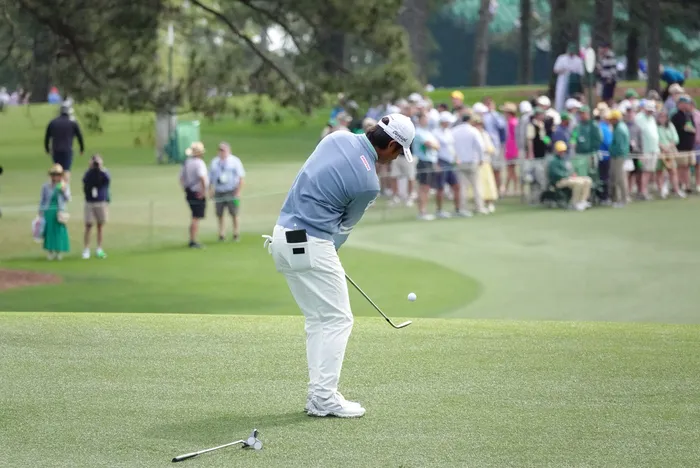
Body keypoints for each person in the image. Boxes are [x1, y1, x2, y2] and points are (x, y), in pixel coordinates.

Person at [265, 113, 415, 418]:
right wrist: (329, 253)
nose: (396, 158)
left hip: (281, 237)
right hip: (312, 242)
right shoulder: (368, 184)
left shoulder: (336, 137)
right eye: (399, 152)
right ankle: (324, 397)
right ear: (390, 145)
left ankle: (318, 395)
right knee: (339, 320)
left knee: (318, 319)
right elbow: (343, 229)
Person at [209, 142, 246, 242]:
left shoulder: (235, 161)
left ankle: (236, 233)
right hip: (219, 191)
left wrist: (238, 191)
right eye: (220, 150)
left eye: (224, 150)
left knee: (234, 213)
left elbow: (241, 177)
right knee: (219, 214)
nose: (222, 152)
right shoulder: (214, 162)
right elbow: (210, 178)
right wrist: (210, 190)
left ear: (229, 151)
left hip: (232, 190)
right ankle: (221, 234)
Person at [453, 113, 486, 215]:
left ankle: (463, 207)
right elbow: (480, 146)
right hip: (472, 161)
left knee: (463, 187)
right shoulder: (473, 131)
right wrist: (481, 158)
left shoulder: (454, 131)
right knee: (476, 185)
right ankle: (479, 207)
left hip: (459, 161)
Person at [432, 111, 463, 217]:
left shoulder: (449, 132)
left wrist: (456, 158)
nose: (449, 123)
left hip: (450, 162)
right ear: (443, 122)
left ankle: (457, 210)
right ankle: (439, 211)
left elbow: (451, 147)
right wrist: (436, 163)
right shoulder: (435, 133)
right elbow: (435, 150)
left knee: (456, 186)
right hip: (441, 161)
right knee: (440, 187)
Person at [179, 142, 209, 248]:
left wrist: (185, 189)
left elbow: (181, 178)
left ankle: (193, 239)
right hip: (197, 192)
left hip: (189, 191)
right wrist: (204, 191)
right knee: (196, 217)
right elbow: (202, 178)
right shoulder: (199, 163)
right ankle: (193, 240)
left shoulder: (186, 163)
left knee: (194, 216)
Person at [44, 104, 85, 182]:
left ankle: (56, 186)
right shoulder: (73, 123)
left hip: (55, 149)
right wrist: (81, 148)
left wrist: (47, 148)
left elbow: (47, 137)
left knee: (57, 169)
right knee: (66, 170)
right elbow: (80, 136)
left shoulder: (53, 123)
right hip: (67, 150)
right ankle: (65, 187)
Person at [548, 141, 592, 211]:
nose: (562, 153)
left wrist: (572, 174)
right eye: (560, 151)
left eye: (563, 151)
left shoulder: (565, 160)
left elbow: (570, 169)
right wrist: (568, 175)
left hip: (569, 178)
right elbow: (555, 173)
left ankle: (582, 201)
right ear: (557, 151)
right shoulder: (554, 161)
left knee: (587, 180)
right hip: (559, 181)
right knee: (579, 183)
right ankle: (574, 203)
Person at [39, 164, 71, 260]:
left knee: (59, 232)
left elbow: (68, 198)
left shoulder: (64, 185)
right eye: (54, 175)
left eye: (57, 175)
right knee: (49, 231)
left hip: (59, 211)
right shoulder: (46, 186)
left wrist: (63, 191)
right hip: (49, 210)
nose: (55, 177)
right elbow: (43, 199)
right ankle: (50, 251)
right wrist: (40, 211)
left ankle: (58, 251)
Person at [82, 154, 111, 259]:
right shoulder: (88, 173)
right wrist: (91, 168)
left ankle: (99, 249)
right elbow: (85, 180)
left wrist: (101, 168)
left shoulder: (104, 173)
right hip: (90, 202)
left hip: (101, 202)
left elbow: (107, 180)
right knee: (88, 226)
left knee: (100, 227)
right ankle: (86, 249)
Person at [413, 112, 440, 220]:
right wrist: (434, 145)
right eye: (424, 119)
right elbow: (429, 145)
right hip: (423, 161)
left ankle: (424, 211)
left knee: (427, 187)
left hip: (430, 161)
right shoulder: (418, 132)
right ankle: (422, 212)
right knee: (423, 187)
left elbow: (437, 145)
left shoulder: (428, 132)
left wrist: (434, 145)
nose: (426, 121)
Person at [471, 114, 499, 213]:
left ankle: (490, 203)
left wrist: (485, 150)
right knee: (477, 185)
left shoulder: (485, 134)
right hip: (475, 163)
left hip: (485, 162)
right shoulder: (473, 134)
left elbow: (490, 148)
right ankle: (479, 204)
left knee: (488, 183)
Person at [634, 100, 660, 199]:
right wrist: (640, 151)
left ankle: (644, 190)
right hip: (644, 150)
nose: (650, 112)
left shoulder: (652, 118)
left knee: (649, 171)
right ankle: (642, 192)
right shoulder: (639, 118)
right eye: (649, 110)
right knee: (645, 171)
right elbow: (638, 134)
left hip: (653, 149)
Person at [671, 95, 697, 193]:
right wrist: (689, 129)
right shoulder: (676, 116)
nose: (687, 105)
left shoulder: (689, 115)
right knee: (682, 166)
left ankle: (688, 185)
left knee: (688, 166)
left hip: (690, 146)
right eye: (685, 103)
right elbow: (682, 128)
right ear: (680, 104)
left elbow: (693, 128)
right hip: (681, 146)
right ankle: (681, 184)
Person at [656, 110, 684, 199]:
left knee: (673, 171)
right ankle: (661, 191)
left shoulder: (670, 126)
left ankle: (676, 190)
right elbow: (655, 139)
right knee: (659, 171)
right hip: (659, 152)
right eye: (661, 116)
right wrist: (662, 147)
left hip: (670, 152)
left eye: (664, 116)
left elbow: (675, 139)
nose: (662, 118)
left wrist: (668, 147)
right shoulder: (655, 127)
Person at [525, 108, 551, 203]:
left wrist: (548, 143)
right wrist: (531, 152)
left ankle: (542, 197)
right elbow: (530, 140)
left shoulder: (542, 125)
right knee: (535, 178)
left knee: (542, 178)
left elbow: (544, 137)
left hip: (542, 154)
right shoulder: (531, 125)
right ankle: (534, 198)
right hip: (535, 156)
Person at [608, 110, 630, 208]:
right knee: (617, 177)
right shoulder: (619, 127)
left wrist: (612, 151)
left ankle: (623, 199)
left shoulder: (619, 129)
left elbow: (619, 146)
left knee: (619, 178)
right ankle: (617, 199)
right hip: (618, 156)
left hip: (618, 156)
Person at [553, 44, 584, 112]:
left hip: (573, 82)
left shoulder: (578, 60)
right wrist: (564, 70)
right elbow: (555, 70)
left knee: (573, 98)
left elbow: (581, 73)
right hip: (562, 80)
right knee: (560, 98)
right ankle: (559, 112)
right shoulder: (561, 58)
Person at [502, 102, 520, 195]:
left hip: (512, 149)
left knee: (510, 169)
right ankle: (512, 187)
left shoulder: (512, 122)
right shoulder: (512, 122)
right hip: (511, 148)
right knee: (511, 170)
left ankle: (508, 188)